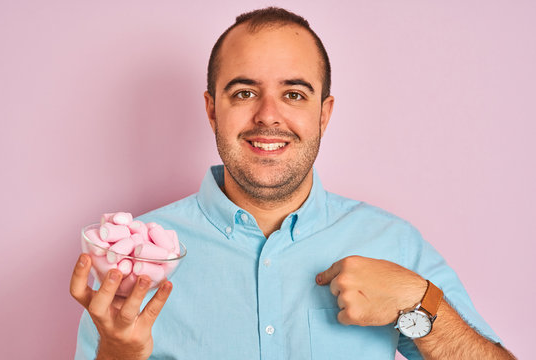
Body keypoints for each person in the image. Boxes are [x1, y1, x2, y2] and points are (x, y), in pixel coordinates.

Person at [70, 7, 515, 360]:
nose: (268, 115)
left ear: (324, 113)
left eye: (294, 94)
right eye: (244, 92)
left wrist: (418, 303)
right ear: (211, 110)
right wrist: (119, 355)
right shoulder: (128, 262)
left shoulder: (393, 244)